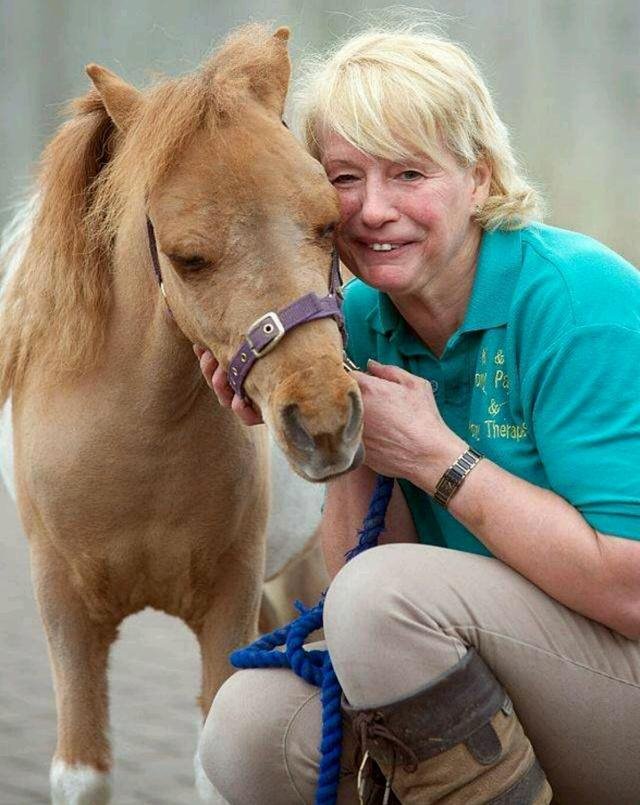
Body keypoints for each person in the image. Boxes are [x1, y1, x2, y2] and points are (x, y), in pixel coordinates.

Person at [195, 25, 640, 805]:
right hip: (488, 666)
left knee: (383, 595)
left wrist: (441, 459)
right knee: (248, 729)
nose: (372, 210)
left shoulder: (580, 302)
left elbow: (633, 592)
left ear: (478, 176)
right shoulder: (357, 318)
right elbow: (363, 593)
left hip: (620, 671)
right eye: (344, 177)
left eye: (408, 173)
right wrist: (334, 435)